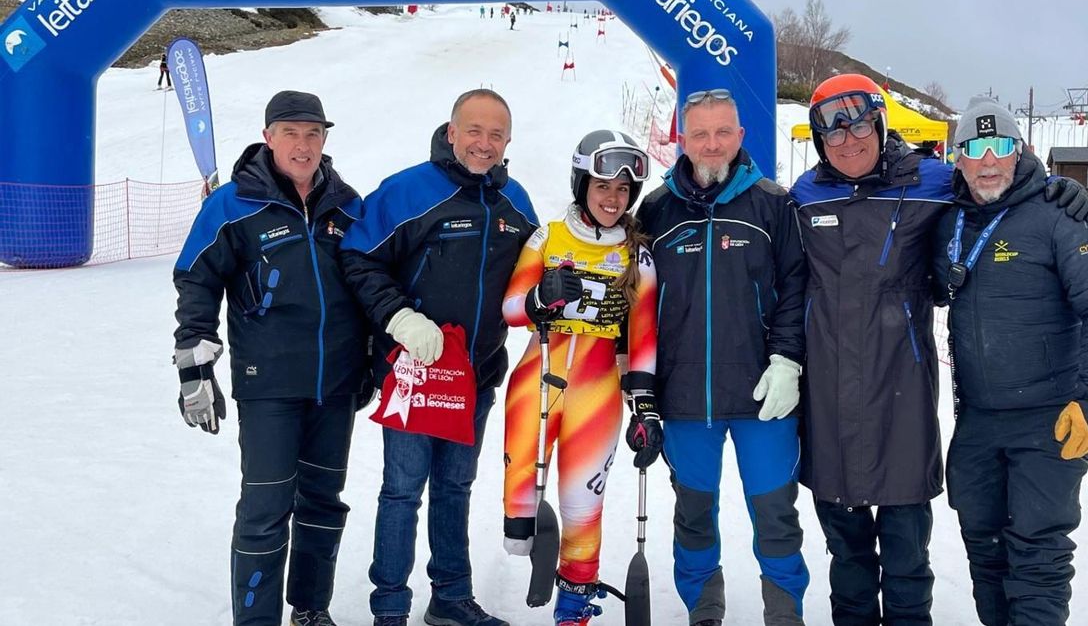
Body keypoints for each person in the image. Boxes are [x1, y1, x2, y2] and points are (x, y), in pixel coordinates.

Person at [789, 75, 1088, 626]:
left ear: (881, 124)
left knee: (909, 556)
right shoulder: (803, 197)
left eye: (860, 123)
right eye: (832, 131)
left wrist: (1053, 186)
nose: (848, 139)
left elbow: (994, 188)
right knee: (848, 555)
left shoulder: (932, 182)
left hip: (902, 397)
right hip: (830, 399)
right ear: (818, 140)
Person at [340, 89, 538, 626]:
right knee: (403, 490)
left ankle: (450, 596)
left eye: (496, 134)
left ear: (508, 142)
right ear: (451, 132)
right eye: (473, 130)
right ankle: (390, 608)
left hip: (476, 377)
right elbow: (357, 258)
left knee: (455, 486)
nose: (484, 143)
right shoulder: (408, 192)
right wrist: (399, 318)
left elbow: (534, 279)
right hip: (414, 375)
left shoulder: (515, 203)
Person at [173, 90, 370, 626]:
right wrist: (194, 364)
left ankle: (311, 609)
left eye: (313, 133)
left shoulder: (347, 204)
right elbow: (196, 278)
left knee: (324, 503)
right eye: (290, 133)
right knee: (265, 510)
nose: (302, 146)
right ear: (268, 138)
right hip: (269, 386)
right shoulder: (233, 204)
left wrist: (372, 359)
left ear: (325, 139)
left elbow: (370, 283)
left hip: (335, 385)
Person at [933, 97, 1088, 626]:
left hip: (1050, 415)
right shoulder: (948, 221)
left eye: (1001, 146)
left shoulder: (1059, 214)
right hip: (978, 418)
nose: (989, 160)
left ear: (1021, 152)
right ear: (958, 159)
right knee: (983, 543)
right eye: (975, 148)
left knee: (1038, 552)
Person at [636, 89, 809, 626]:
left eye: (723, 133)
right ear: (682, 140)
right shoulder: (656, 210)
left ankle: (783, 612)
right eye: (700, 134)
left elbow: (796, 289)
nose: (712, 145)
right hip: (685, 398)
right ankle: (704, 609)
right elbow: (637, 301)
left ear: (740, 136)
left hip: (763, 396)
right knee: (693, 515)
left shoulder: (772, 204)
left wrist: (787, 361)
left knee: (776, 514)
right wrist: (640, 386)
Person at [501, 130, 660, 626]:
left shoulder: (639, 255)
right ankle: (533, 547)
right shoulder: (548, 237)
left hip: (598, 384)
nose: (613, 199)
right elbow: (510, 309)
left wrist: (646, 407)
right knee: (521, 502)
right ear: (581, 186)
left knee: (582, 498)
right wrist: (540, 296)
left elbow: (645, 338)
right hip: (540, 371)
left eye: (622, 191)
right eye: (602, 187)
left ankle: (575, 597)